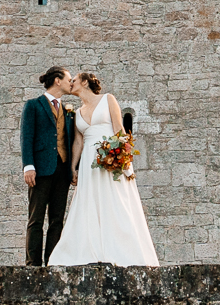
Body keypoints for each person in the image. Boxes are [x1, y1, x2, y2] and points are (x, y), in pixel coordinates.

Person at [47, 72, 159, 267]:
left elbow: (119, 129)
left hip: (110, 157)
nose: (70, 83)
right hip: (89, 161)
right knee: (88, 202)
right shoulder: (77, 112)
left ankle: (121, 250)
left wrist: (123, 156)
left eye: (73, 80)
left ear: (84, 82)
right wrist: (73, 167)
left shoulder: (108, 100)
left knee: (114, 200)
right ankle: (88, 250)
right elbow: (78, 142)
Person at [21, 65, 80, 265]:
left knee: (57, 220)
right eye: (69, 79)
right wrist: (28, 166)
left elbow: (71, 141)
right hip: (40, 170)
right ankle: (33, 263)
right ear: (57, 80)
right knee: (36, 218)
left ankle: (53, 261)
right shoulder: (34, 105)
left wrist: (73, 168)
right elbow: (27, 137)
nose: (71, 83)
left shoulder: (68, 110)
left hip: (62, 170)